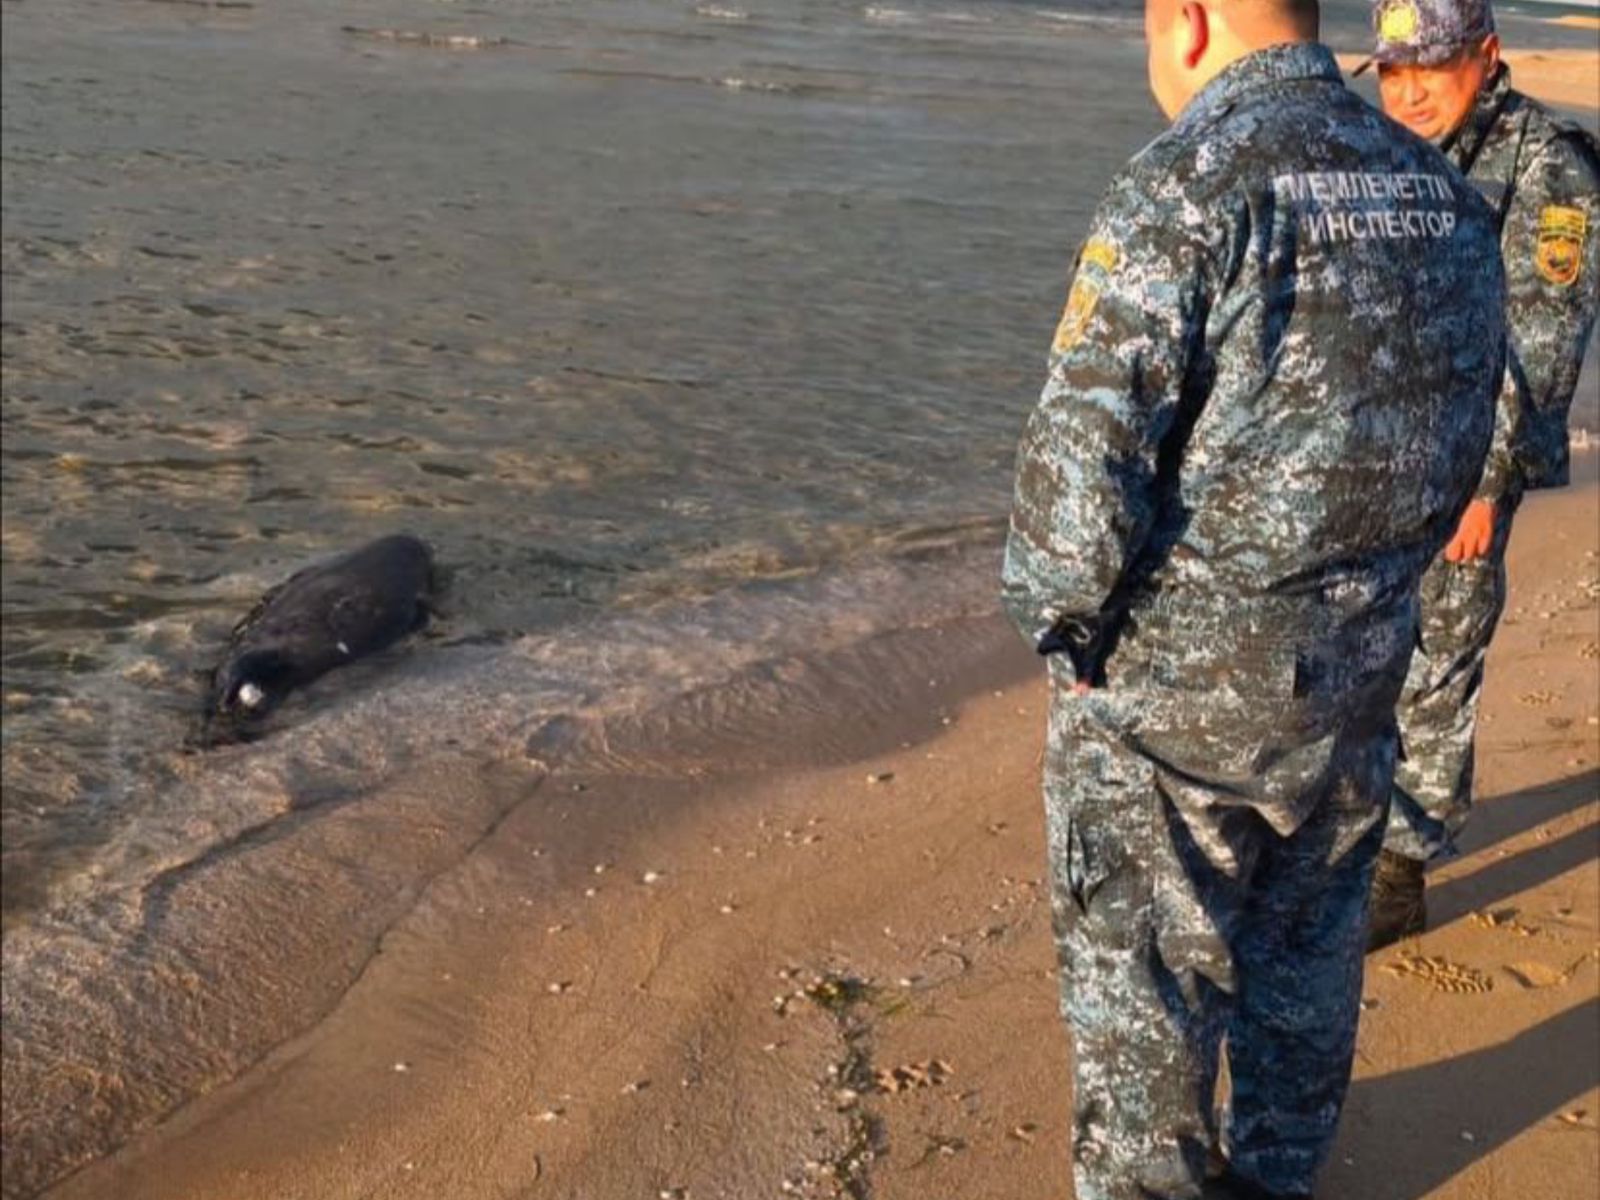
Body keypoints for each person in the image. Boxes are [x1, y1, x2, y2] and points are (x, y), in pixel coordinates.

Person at [999, 0, 1506, 1196]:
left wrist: (1061, 627)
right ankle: (1280, 1176)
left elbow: (1074, 491)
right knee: (1305, 964)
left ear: (1184, 19)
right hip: (1359, 666)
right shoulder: (1440, 193)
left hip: (1175, 702)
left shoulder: (1185, 186)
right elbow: (1464, 427)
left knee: (1148, 1012)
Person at [1356, 0, 1600, 949]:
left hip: (1461, 467)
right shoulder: (1381, 150)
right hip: (1368, 457)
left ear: (1487, 56)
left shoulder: (1551, 168)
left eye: (1434, 66)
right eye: (1393, 69)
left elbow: (1542, 340)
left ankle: (1400, 868)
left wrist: (1487, 482)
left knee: (1438, 657)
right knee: (1358, 655)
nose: (1409, 90)